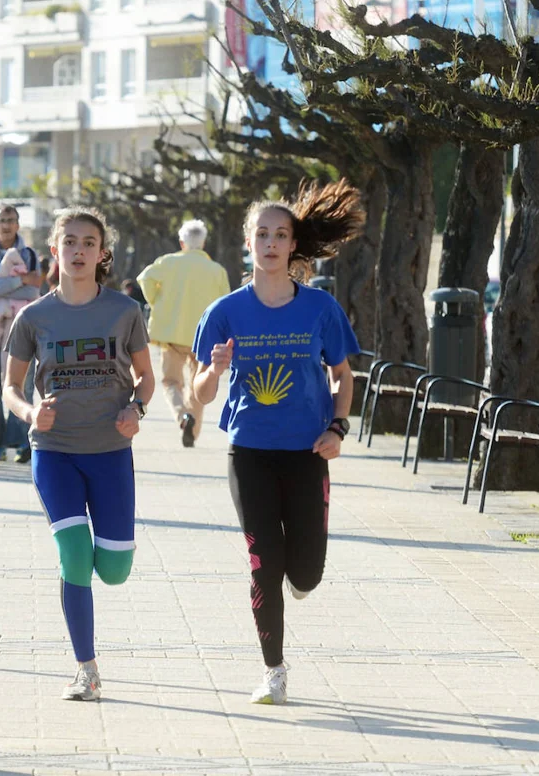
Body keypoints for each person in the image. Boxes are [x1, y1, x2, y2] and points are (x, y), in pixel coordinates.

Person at [191, 180, 363, 705]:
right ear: (248, 242)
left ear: (293, 245)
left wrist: (337, 427)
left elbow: (343, 375)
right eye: (261, 233)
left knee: (306, 571)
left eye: (280, 234)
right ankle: (274, 669)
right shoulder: (223, 312)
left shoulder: (319, 308)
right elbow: (199, 397)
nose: (270, 242)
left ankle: (302, 579)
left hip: (308, 452)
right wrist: (214, 371)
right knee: (263, 558)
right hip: (250, 453)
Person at [2, 207, 155, 702]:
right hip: (56, 451)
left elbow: (146, 377)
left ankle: (107, 561)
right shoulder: (33, 317)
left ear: (101, 252)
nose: (79, 250)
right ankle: (85, 668)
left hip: (111, 451)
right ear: (54, 249)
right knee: (73, 556)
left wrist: (138, 407)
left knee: (113, 570)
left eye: (89, 242)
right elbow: (9, 386)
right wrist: (30, 414)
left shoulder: (124, 311)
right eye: (70, 241)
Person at [138, 220, 232, 448]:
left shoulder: (168, 262)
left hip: (172, 333)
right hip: (203, 338)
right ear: (204, 243)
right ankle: (193, 429)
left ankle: (182, 416)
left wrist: (157, 301)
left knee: (171, 381)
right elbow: (225, 303)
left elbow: (145, 278)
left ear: (182, 242)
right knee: (197, 385)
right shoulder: (217, 270)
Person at [0, 206, 41, 462]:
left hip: (22, 330)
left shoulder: (29, 254)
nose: (6, 225)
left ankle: (22, 442)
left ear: (18, 224)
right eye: (1, 220)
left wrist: (3, 284)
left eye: (11, 220)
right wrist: (20, 280)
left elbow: (33, 293)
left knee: (23, 386)